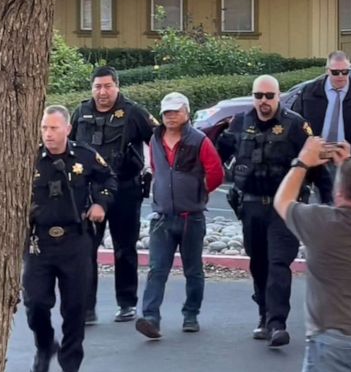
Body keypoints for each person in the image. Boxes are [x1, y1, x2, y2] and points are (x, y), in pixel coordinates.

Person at [221, 75, 334, 347]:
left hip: (284, 208)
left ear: (279, 97)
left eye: (269, 96)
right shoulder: (239, 123)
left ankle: (277, 324)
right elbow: (219, 154)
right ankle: (264, 313)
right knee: (258, 263)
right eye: (259, 96)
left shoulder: (295, 125)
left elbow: (317, 167)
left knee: (278, 263)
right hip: (250, 206)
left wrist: (329, 202)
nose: (264, 101)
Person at [273, 138, 351, 372]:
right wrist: (348, 164)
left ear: (338, 192)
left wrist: (303, 161)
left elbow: (282, 201)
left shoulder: (322, 223)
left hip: (333, 336)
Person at [25, 106, 115, 372]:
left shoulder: (84, 156)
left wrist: (100, 204)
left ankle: (70, 364)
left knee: (75, 308)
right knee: (35, 302)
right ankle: (44, 345)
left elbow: (109, 179)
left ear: (67, 129)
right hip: (38, 241)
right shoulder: (30, 157)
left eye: (53, 128)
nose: (48, 134)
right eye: (44, 128)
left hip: (74, 240)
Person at [70, 66, 158, 324]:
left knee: (124, 248)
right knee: (86, 250)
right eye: (97, 87)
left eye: (107, 86)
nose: (102, 92)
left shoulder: (133, 112)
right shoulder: (81, 112)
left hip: (125, 190)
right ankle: (87, 308)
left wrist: (158, 174)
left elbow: (160, 139)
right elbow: (70, 147)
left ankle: (127, 303)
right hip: (91, 193)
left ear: (117, 86)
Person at [135, 93, 223, 339]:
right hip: (162, 216)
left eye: (175, 111)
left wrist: (201, 191)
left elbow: (215, 171)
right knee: (156, 269)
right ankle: (150, 317)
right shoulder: (155, 139)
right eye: (166, 112)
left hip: (190, 217)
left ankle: (191, 314)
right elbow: (155, 167)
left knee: (193, 270)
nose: (170, 116)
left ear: (186, 113)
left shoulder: (199, 141)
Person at [291, 51, 351, 154]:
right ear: (327, 71)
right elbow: (296, 121)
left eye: (345, 72)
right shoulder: (309, 92)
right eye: (335, 72)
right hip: (316, 155)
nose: (340, 76)